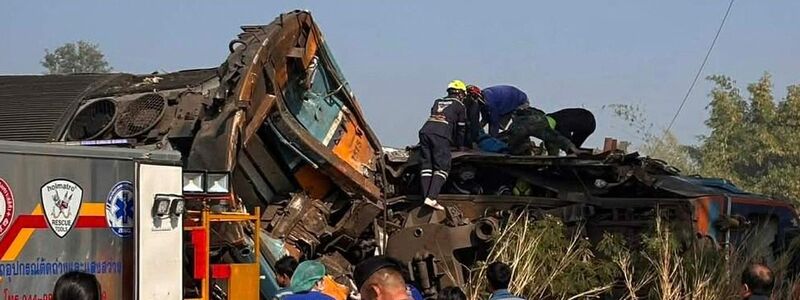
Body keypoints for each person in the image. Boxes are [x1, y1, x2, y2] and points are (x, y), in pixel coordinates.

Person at [417, 80, 468, 211]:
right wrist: (460, 146)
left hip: (425, 131)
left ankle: (425, 197)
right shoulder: (460, 106)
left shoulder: (437, 101)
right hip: (440, 134)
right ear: (461, 94)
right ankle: (432, 198)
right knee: (443, 167)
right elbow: (461, 129)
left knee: (426, 166)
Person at [500, 107, 584, 156]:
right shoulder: (535, 119)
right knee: (552, 137)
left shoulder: (518, 124)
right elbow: (553, 137)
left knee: (512, 148)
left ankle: (523, 148)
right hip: (540, 120)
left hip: (533, 122)